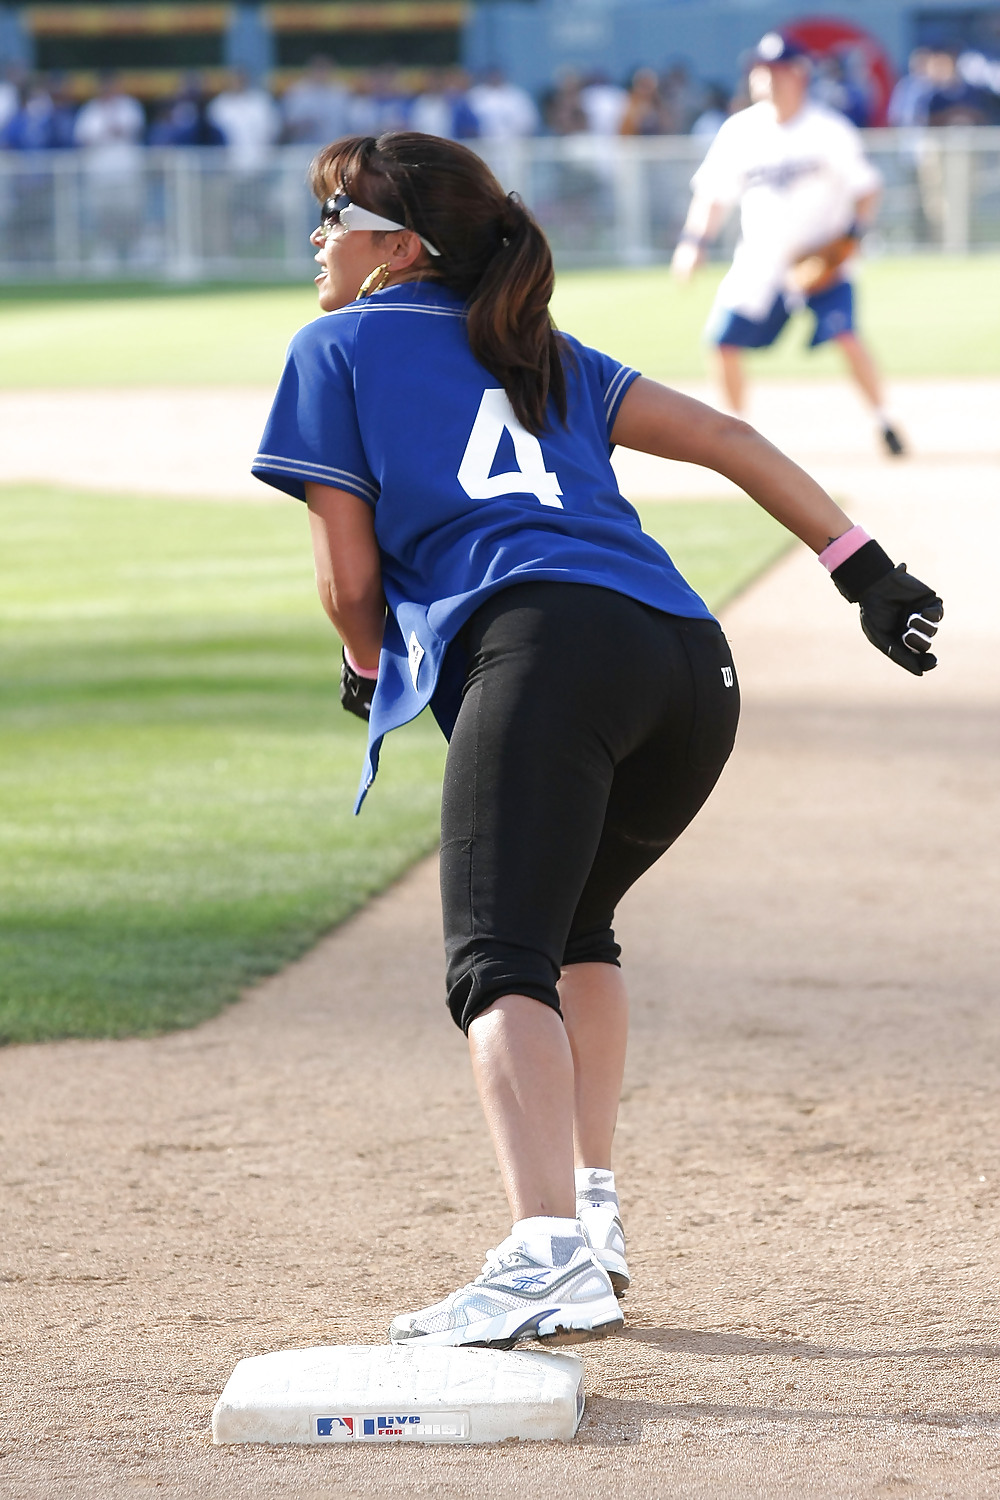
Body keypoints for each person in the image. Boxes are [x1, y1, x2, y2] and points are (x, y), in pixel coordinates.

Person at [251, 131, 942, 1350]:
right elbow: (729, 440)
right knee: (573, 929)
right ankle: (593, 1214)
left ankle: (542, 1254)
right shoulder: (535, 351)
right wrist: (863, 571)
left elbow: (346, 579)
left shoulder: (336, 345)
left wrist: (367, 667)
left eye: (337, 218)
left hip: (547, 653)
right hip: (687, 659)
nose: (320, 239)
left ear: (399, 248)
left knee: (495, 960)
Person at [672, 31, 906, 458]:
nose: (768, 78)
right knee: (721, 342)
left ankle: (885, 420)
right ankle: (736, 438)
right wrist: (693, 243)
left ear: (800, 74)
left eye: (778, 69)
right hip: (760, 262)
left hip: (823, 259)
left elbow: (868, 189)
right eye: (761, 70)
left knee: (847, 336)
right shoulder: (740, 131)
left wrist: (851, 239)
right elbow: (712, 196)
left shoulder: (828, 130)